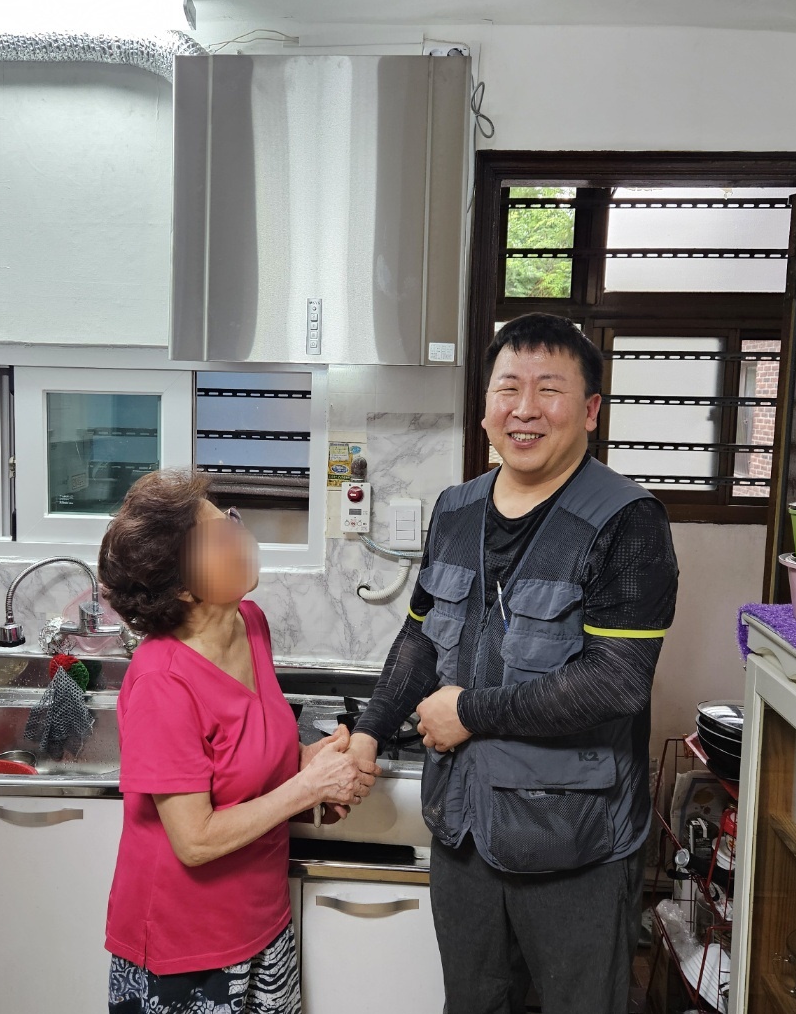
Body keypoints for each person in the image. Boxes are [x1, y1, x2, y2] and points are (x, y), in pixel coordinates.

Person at [349, 312, 679, 1014]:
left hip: (577, 844)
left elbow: (616, 681)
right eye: (508, 388)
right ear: (486, 409)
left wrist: (468, 711)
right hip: (464, 831)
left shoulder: (628, 521)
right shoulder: (455, 509)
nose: (525, 409)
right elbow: (420, 638)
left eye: (549, 389)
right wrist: (370, 729)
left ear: (590, 411)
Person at [98, 469, 381, 1014]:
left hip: (263, 923)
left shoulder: (249, 624)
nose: (240, 536)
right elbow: (195, 840)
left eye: (231, 521)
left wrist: (312, 765)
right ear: (181, 587)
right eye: (219, 537)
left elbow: (246, 763)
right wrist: (307, 788)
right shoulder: (162, 680)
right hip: (185, 949)